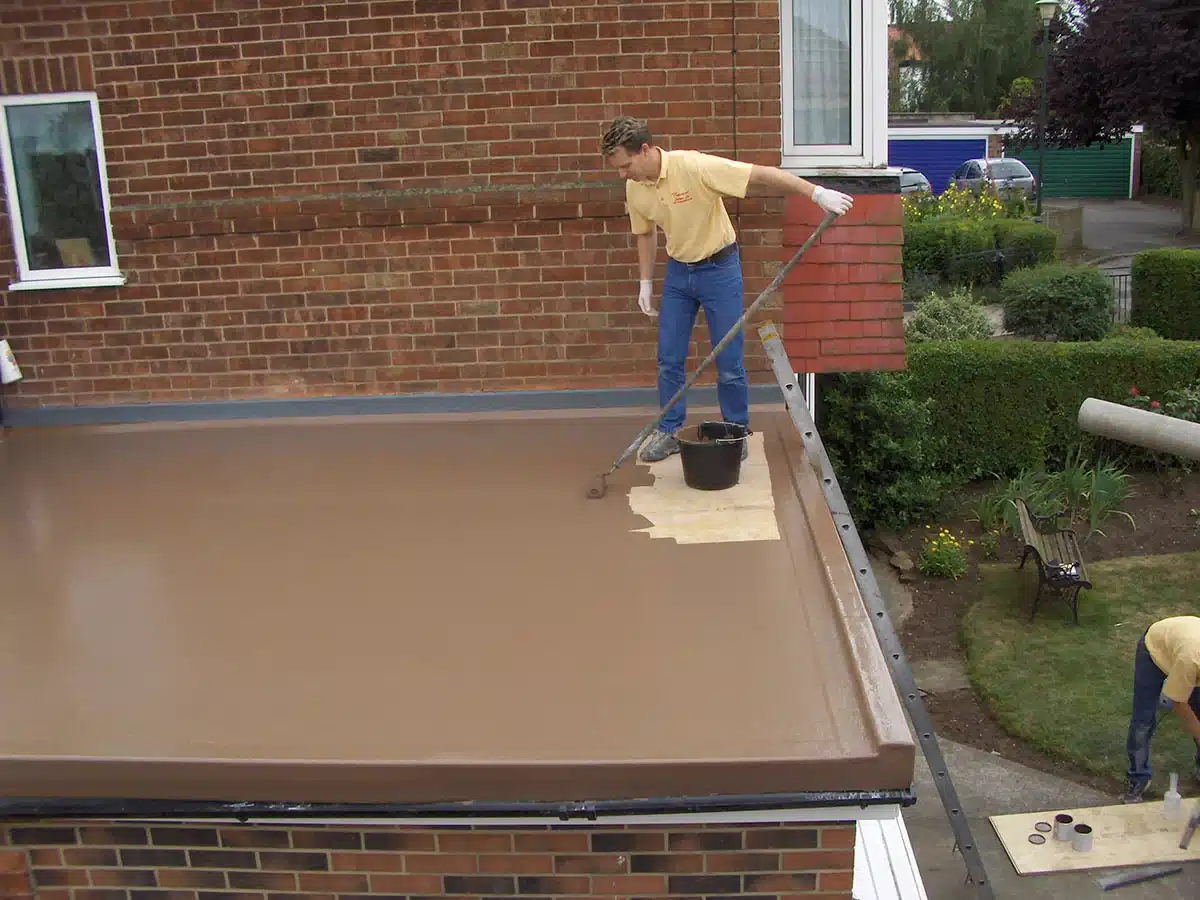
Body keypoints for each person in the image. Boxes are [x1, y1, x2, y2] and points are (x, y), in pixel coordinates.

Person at [600, 115, 854, 463]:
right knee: (668, 359)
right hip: (679, 275)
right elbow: (645, 232)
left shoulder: (694, 167)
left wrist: (816, 192)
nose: (622, 174)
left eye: (625, 165)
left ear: (645, 150)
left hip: (719, 270)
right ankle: (670, 429)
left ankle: (736, 430)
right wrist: (645, 282)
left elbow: (761, 174)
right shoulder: (635, 184)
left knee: (729, 360)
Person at [1124, 614, 1200, 803]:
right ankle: (1138, 777)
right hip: (1155, 647)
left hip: (1184, 640)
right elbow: (1178, 704)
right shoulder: (1190, 660)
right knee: (1143, 720)